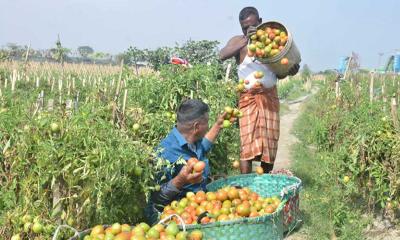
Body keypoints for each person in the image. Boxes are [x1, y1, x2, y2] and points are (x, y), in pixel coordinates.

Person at [219, 6, 300, 174]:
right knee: (247, 144)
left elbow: (280, 74)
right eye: (244, 27)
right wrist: (245, 40)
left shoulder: (272, 45)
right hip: (248, 99)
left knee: (269, 143)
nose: (249, 30)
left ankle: (265, 180)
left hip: (269, 98)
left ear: (260, 22)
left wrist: (290, 70)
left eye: (252, 26)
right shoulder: (239, 42)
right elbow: (222, 55)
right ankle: (246, 184)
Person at [144, 99, 228, 225]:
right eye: (207, 123)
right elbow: (156, 198)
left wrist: (218, 125)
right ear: (196, 127)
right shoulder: (165, 153)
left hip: (199, 205)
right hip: (179, 216)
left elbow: (202, 148)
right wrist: (181, 179)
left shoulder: (192, 141)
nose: (208, 126)